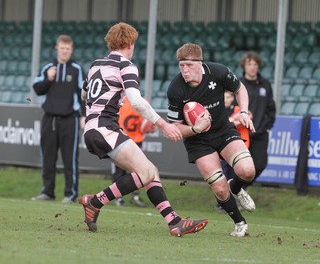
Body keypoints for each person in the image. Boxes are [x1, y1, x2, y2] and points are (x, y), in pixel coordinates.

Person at [78, 22, 207, 237]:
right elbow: (136, 102)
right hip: (105, 128)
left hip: (92, 129)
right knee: (146, 172)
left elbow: (84, 95)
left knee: (150, 171)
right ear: (130, 43)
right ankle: (94, 201)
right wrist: (164, 124)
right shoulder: (126, 65)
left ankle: (174, 222)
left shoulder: (95, 64)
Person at [166, 43, 256, 237]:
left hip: (223, 130)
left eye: (189, 65)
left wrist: (242, 112)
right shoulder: (175, 88)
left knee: (247, 171)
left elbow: (240, 89)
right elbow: (175, 127)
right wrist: (194, 128)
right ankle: (240, 223)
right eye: (181, 65)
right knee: (219, 189)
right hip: (197, 141)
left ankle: (237, 187)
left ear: (200, 63)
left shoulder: (218, 72)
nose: (184, 70)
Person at [32, 34, 85, 204]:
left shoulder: (77, 69)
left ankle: (70, 194)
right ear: (57, 49)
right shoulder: (48, 67)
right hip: (50, 119)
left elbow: (83, 95)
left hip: (70, 119)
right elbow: (37, 89)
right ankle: (47, 191)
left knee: (70, 158)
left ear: (71, 50)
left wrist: (84, 116)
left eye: (68, 49)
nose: (65, 52)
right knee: (48, 157)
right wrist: (48, 79)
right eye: (62, 48)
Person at [111, 97, 156, 207]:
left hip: (135, 140)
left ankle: (134, 196)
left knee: (138, 171)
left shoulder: (142, 101)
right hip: (120, 141)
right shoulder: (119, 101)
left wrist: (150, 127)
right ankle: (118, 198)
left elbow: (149, 122)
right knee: (119, 172)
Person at [239, 52, 276, 186]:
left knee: (260, 165)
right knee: (238, 167)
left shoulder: (265, 85)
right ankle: (230, 196)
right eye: (249, 64)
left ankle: (240, 189)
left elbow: (271, 108)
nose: (252, 67)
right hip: (241, 133)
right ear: (244, 66)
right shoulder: (238, 85)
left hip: (260, 133)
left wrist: (267, 125)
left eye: (255, 64)